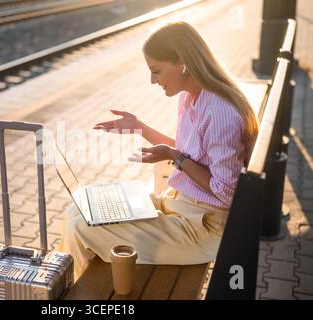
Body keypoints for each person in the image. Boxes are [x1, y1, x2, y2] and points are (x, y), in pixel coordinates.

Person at [59, 21, 259, 280]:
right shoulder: (190, 97)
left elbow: (227, 192)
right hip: (179, 204)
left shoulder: (220, 112)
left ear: (183, 62)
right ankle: (66, 285)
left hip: (201, 228)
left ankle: (69, 294)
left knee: (80, 228)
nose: (152, 80)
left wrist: (175, 157)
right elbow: (191, 152)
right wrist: (140, 127)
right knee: (78, 209)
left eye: (156, 71)